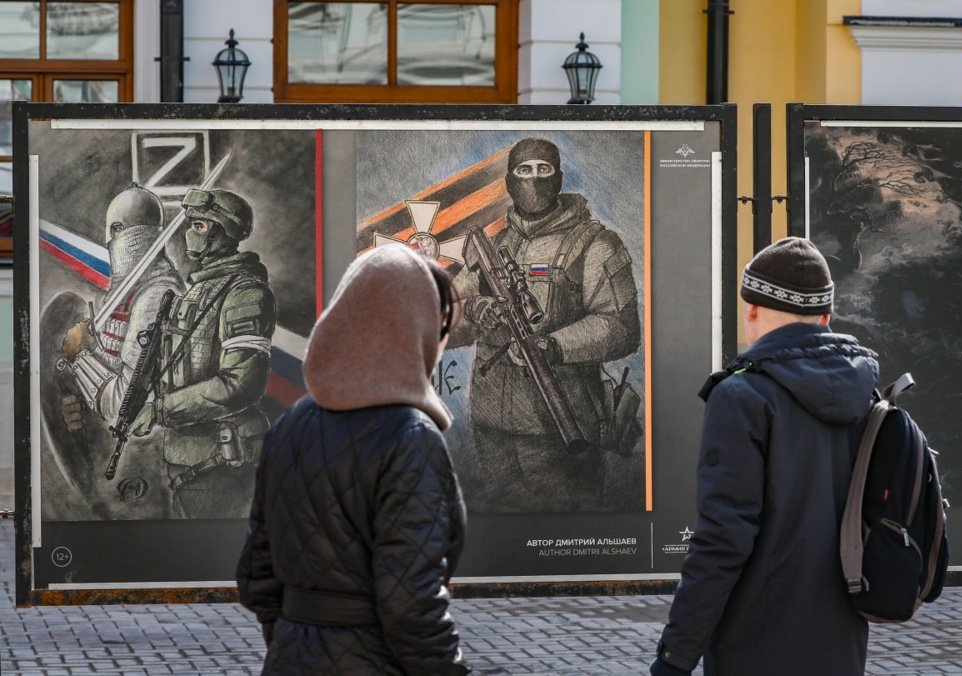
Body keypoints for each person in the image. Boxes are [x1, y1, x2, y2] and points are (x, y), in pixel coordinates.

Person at [236, 244, 469, 675]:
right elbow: (412, 605)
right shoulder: (411, 438)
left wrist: (299, 639)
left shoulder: (291, 426)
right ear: (411, 329)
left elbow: (256, 575)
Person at [650, 237, 878, 676]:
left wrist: (675, 656)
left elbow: (722, 540)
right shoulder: (865, 396)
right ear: (825, 318)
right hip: (842, 645)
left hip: (754, 645)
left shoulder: (741, 397)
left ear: (751, 310)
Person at [450, 137, 642, 513]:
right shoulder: (492, 246)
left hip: (563, 427)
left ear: (559, 177)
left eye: (543, 170)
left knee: (565, 539)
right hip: (492, 428)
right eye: (524, 171)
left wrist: (554, 346)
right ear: (509, 181)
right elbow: (445, 323)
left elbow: (621, 327)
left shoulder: (596, 243)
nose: (533, 180)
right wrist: (475, 308)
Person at [130, 187, 276, 519]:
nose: (189, 234)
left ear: (225, 234)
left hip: (223, 461)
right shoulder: (199, 289)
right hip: (189, 460)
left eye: (201, 226)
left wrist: (160, 409)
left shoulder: (245, 294)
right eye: (191, 224)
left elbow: (239, 384)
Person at [60, 182, 185, 426]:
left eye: (114, 233)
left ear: (116, 229)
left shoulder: (156, 295)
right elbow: (113, 365)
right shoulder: (129, 293)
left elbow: (123, 408)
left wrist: (79, 356)